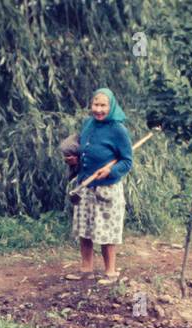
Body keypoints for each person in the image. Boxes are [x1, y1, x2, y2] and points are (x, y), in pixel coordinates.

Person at [66, 88, 133, 283]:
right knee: (84, 230)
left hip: (107, 189)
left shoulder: (118, 130)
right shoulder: (88, 124)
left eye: (103, 105)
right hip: (85, 185)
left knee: (107, 231)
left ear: (111, 106)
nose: (99, 109)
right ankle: (86, 269)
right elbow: (84, 153)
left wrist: (110, 171)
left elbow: (127, 161)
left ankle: (110, 272)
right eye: (96, 104)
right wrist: (74, 161)